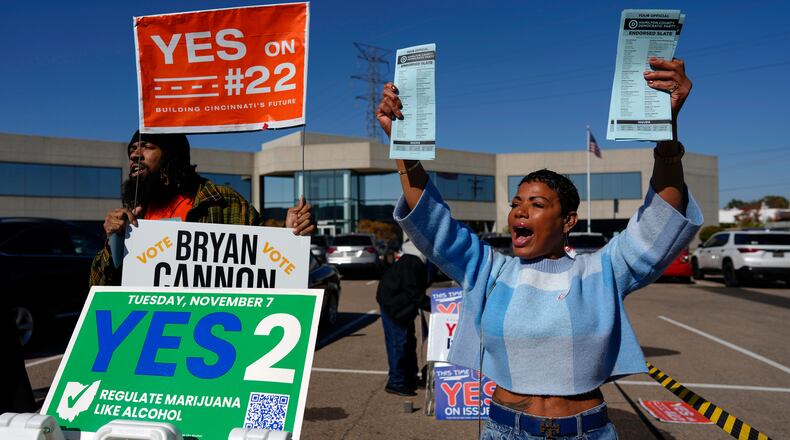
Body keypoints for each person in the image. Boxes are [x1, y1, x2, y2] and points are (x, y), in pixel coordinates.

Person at [376, 57, 701, 439]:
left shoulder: (602, 271)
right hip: (504, 430)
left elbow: (660, 221)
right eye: (516, 203)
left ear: (568, 221)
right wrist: (403, 144)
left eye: (537, 204)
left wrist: (666, 132)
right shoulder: (489, 271)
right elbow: (432, 221)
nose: (519, 211)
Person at [90, 131, 315, 286]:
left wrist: (289, 236)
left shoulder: (221, 201)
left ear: (171, 156)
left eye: (147, 146)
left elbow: (263, 267)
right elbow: (98, 287)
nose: (134, 155)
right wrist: (114, 241)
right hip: (152, 335)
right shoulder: (134, 212)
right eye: (132, 149)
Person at [376, 237, 431, 397]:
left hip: (401, 304)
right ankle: (396, 382)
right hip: (394, 305)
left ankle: (410, 378)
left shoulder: (414, 260)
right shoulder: (412, 262)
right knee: (398, 343)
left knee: (408, 341)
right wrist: (435, 306)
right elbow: (413, 291)